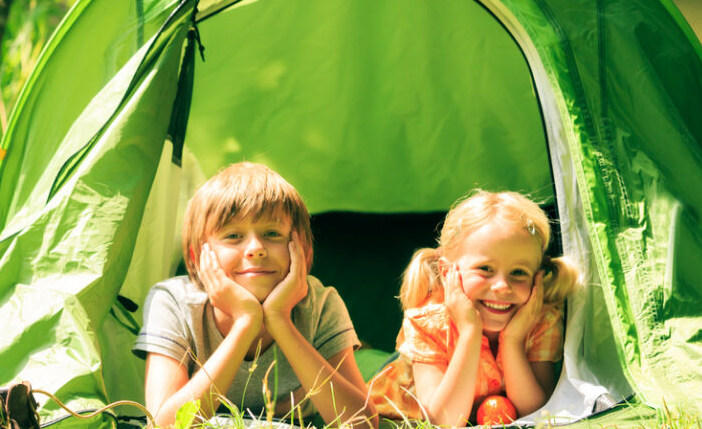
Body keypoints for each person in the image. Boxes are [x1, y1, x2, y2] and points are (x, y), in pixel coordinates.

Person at [134, 162, 373, 427]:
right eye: (234, 235)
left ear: (302, 249)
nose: (256, 249)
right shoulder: (173, 302)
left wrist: (280, 320)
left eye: (272, 233)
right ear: (198, 256)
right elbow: (163, 425)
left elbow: (361, 424)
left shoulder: (320, 303)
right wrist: (245, 323)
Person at [367, 190, 580, 427]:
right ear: (448, 273)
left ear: (536, 279)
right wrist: (470, 331)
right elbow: (442, 422)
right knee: (362, 360)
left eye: (519, 272)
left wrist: (512, 341)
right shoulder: (430, 323)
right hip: (394, 400)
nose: (502, 286)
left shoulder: (538, 320)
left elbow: (540, 413)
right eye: (485, 269)